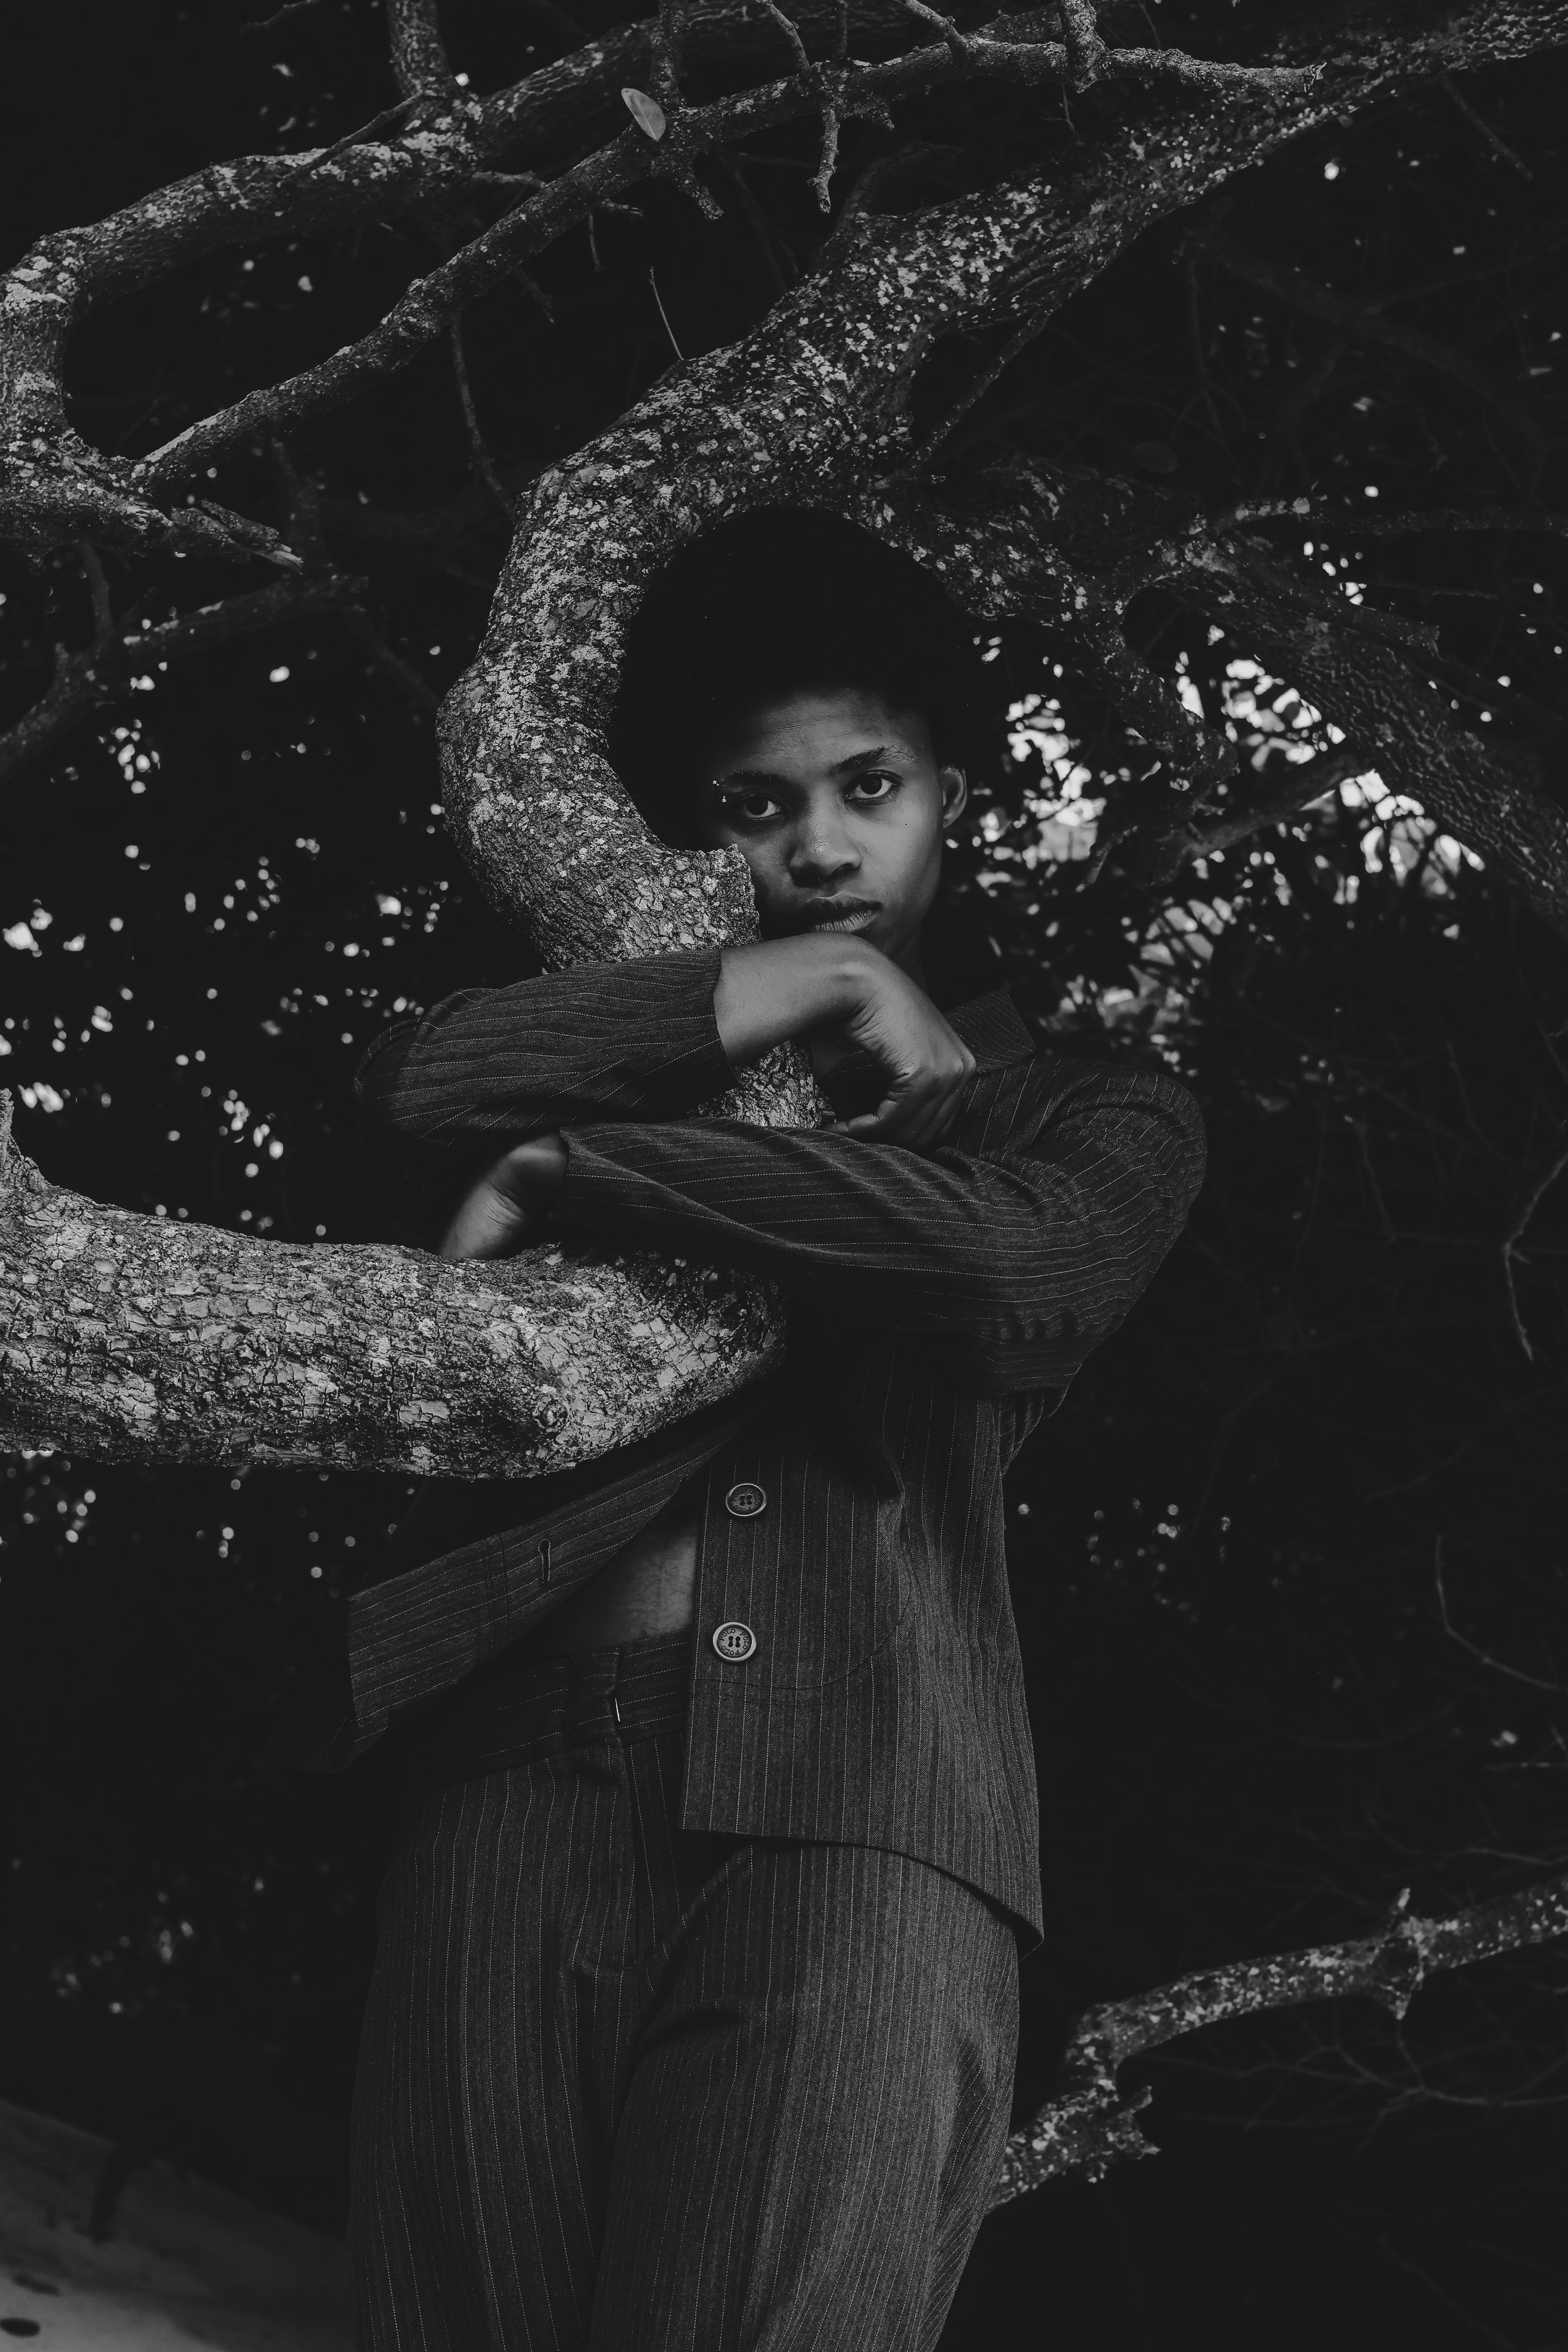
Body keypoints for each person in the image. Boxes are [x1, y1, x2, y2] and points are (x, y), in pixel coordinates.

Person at [328, 515, 1205, 2349]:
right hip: (500, 1788)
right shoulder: (645, 1017)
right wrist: (789, 991)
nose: (816, 844)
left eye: (865, 786)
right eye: (753, 805)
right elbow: (420, 1076)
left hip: (872, 1813)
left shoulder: (1077, 1108)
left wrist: (605, 1165)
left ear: (948, 793)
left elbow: (1014, 1280)